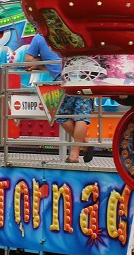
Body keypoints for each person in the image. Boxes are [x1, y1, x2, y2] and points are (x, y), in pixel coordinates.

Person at [24, 33, 95, 163]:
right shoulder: (71, 31)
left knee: (61, 115)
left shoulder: (39, 38)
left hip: (63, 78)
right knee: (81, 114)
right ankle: (80, 147)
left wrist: (40, 63)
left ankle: (77, 151)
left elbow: (28, 60)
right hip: (85, 74)